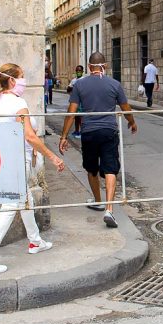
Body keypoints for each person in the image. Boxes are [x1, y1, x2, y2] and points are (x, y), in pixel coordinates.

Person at [0, 63, 66, 274]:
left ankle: (35, 241)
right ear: (13, 80)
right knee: (9, 206)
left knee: (25, 199)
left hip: (5, 159)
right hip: (18, 159)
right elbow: (29, 136)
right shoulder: (17, 102)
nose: (25, 81)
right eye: (23, 77)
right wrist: (53, 157)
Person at [60, 52, 137, 228]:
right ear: (106, 66)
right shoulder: (114, 84)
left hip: (89, 132)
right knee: (111, 168)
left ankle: (98, 200)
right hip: (109, 131)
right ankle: (109, 209)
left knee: (91, 167)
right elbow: (126, 108)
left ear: (89, 67)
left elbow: (71, 112)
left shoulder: (80, 84)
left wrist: (64, 136)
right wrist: (132, 123)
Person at [66, 65, 84, 137]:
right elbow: (68, 89)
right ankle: (76, 131)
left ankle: (83, 131)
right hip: (74, 101)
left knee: (81, 117)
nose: (78, 72)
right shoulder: (74, 80)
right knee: (75, 117)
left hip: (81, 102)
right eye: (77, 71)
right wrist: (72, 88)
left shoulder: (84, 80)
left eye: (79, 71)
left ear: (82, 71)